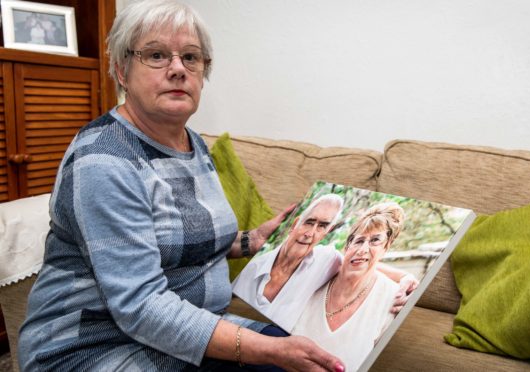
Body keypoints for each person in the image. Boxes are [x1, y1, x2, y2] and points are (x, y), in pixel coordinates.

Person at [17, 1, 345, 371]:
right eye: (156, 55)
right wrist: (265, 350)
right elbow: (141, 306)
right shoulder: (104, 160)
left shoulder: (192, 142)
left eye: (191, 57)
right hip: (93, 347)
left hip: (182, 330)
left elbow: (184, 241)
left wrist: (253, 239)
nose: (177, 69)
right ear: (122, 71)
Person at [233, 195, 418, 332]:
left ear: (326, 233)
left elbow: (360, 261)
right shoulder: (255, 267)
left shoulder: (324, 259)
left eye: (321, 226)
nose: (310, 233)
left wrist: (405, 277)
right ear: (295, 223)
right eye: (309, 222)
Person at [292, 202, 408, 372]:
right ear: (346, 247)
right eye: (359, 241)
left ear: (386, 247)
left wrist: (406, 277)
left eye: (375, 240)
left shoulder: (393, 297)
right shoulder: (319, 273)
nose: (363, 249)